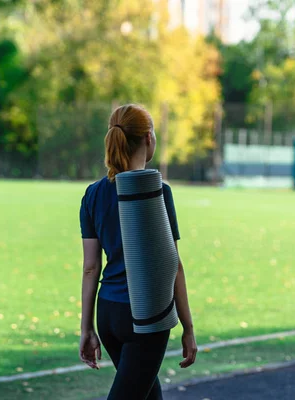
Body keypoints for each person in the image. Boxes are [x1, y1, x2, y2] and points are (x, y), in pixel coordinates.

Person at [79, 104, 197, 399]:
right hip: (146, 318)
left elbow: (91, 267)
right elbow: (173, 265)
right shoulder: (158, 191)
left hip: (109, 315)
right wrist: (188, 327)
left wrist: (87, 327)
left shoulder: (93, 193)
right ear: (148, 138)